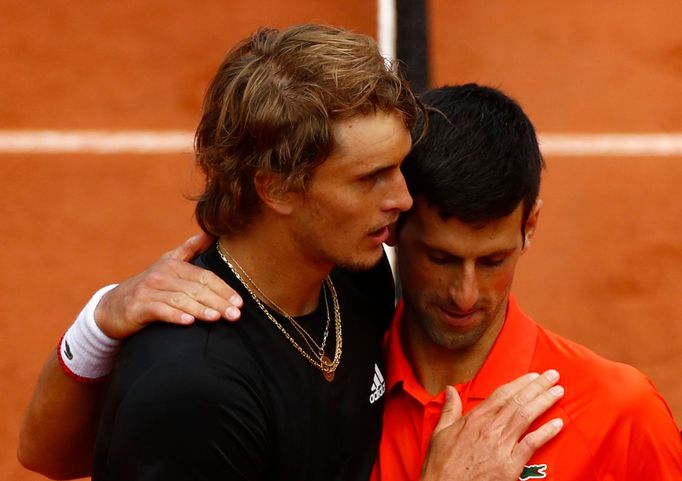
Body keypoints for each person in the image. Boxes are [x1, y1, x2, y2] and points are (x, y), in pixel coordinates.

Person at [18, 27, 564, 481]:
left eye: (398, 167)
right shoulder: (199, 389)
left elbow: (52, 454)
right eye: (370, 178)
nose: (401, 200)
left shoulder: (356, 275)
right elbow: (49, 458)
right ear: (277, 188)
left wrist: (97, 328)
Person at [374, 84, 682, 480]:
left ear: (529, 226)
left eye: (492, 261)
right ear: (394, 223)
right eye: (441, 258)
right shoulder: (327, 393)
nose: (465, 295)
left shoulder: (621, 414)